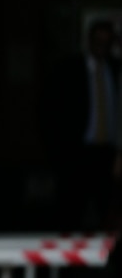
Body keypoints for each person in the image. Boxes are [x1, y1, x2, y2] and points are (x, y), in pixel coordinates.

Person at [45, 17, 121, 232]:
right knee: (71, 210)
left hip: (107, 151)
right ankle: (66, 261)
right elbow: (54, 112)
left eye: (106, 43)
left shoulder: (115, 69)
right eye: (98, 42)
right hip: (77, 150)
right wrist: (59, 151)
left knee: (106, 211)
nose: (102, 48)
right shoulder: (70, 70)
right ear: (89, 41)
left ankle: (106, 261)